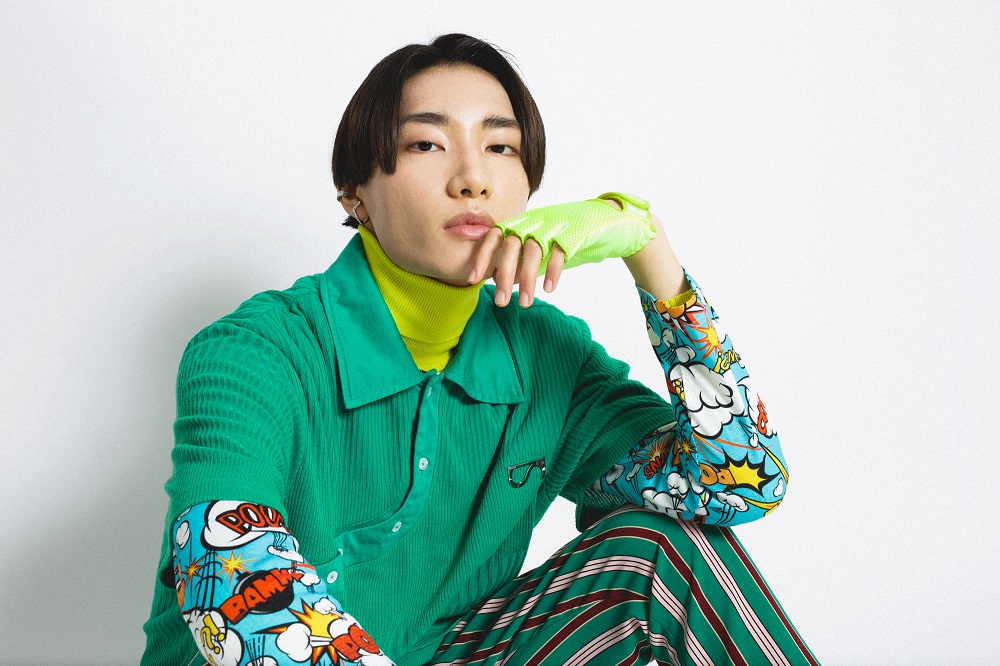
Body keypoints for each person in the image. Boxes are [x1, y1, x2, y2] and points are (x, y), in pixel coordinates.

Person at [141, 33, 819, 666]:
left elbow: (738, 483)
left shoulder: (546, 354)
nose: (473, 179)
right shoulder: (257, 351)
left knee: (663, 547)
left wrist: (649, 252)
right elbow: (225, 576)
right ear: (356, 195)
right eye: (426, 145)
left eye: (501, 148)